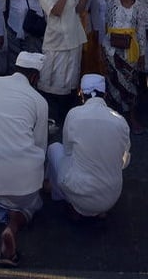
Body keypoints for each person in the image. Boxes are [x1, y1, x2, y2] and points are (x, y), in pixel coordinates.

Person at [0, 52, 49, 268]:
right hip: (23, 182)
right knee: (30, 206)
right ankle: (12, 226)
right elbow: (40, 147)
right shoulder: (39, 101)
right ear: (34, 78)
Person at [46, 74, 131, 220]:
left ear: (81, 93)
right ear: (105, 94)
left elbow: (67, 151)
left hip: (79, 189)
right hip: (111, 195)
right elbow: (124, 161)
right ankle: (96, 207)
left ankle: (63, 197)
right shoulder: (120, 120)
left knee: (54, 148)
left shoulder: (74, 115)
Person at [103, 0, 145, 134]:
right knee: (113, 84)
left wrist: (142, 54)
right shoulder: (110, 0)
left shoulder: (138, 6)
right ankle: (114, 119)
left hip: (130, 51)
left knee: (131, 84)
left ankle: (132, 118)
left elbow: (140, 31)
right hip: (111, 49)